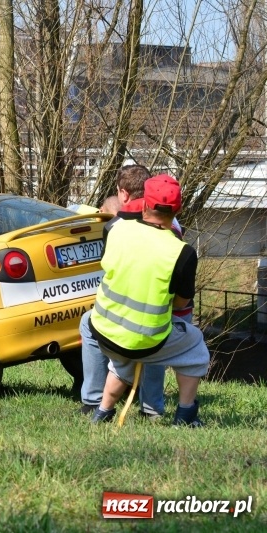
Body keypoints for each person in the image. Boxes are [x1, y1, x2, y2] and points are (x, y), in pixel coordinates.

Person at [86, 176, 209, 427]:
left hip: (102, 329)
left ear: (144, 204)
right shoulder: (183, 253)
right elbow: (180, 303)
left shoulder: (114, 228)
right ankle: (186, 416)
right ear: (178, 210)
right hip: (144, 341)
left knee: (122, 360)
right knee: (196, 348)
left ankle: (102, 412)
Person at [80, 165, 170, 418]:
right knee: (160, 334)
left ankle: (93, 400)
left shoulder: (115, 227)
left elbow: (111, 269)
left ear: (123, 193)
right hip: (160, 311)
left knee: (88, 322)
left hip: (123, 313)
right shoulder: (169, 223)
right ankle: (152, 407)